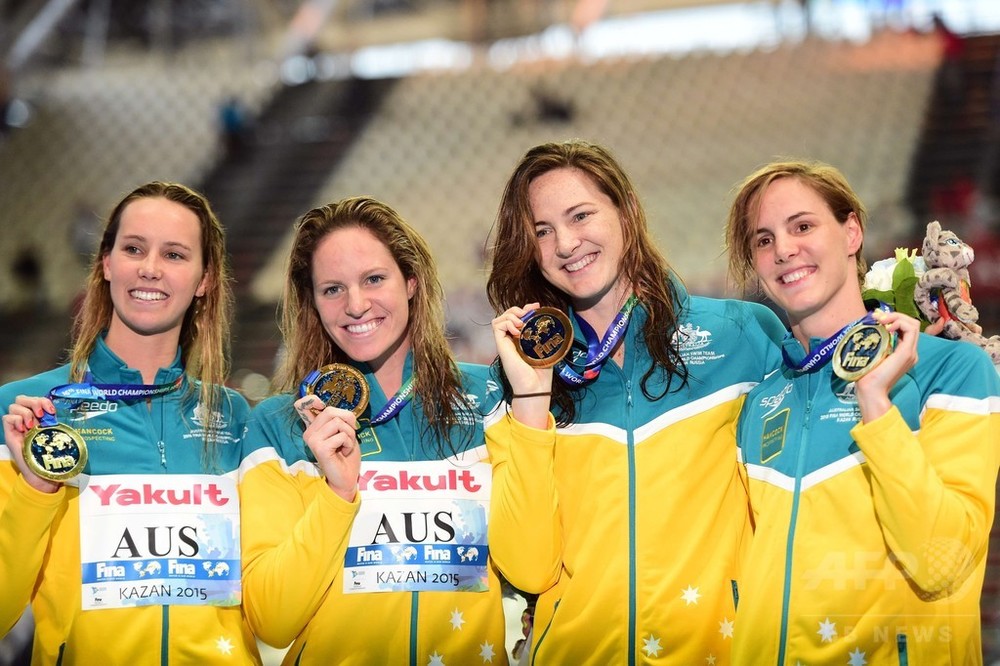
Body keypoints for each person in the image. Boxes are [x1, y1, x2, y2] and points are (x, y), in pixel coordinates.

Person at [486, 139, 786, 664]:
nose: (566, 243)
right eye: (543, 231)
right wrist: (532, 396)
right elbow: (527, 569)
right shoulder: (519, 377)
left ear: (624, 211)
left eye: (581, 215)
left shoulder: (742, 334)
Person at [724, 159, 1000, 663]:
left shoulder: (953, 370)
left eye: (802, 226)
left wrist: (877, 404)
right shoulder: (761, 399)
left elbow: (943, 562)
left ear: (851, 232)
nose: (783, 249)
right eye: (762, 240)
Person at [240, 197, 509, 665]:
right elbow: (273, 619)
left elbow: (533, 563)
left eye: (374, 279)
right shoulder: (279, 425)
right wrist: (336, 497)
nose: (356, 305)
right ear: (313, 303)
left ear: (411, 283)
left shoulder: (488, 398)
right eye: (332, 289)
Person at [0, 182, 260, 664]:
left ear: (205, 279)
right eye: (134, 248)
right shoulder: (23, 411)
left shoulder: (237, 419)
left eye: (175, 254)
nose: (150, 268)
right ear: (106, 263)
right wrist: (35, 490)